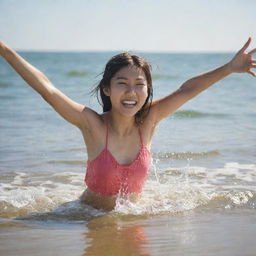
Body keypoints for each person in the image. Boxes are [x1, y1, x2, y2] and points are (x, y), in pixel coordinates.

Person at [0, 39, 255, 211]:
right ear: (107, 89)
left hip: (132, 220)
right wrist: (4, 48)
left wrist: (229, 68)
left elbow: (186, 89)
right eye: (122, 83)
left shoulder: (149, 123)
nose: (131, 92)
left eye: (139, 84)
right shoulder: (93, 125)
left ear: (148, 90)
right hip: (84, 217)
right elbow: (47, 89)